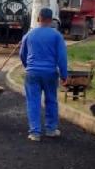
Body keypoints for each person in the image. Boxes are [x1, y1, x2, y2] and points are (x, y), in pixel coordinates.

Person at [19, 7, 68, 141]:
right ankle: (51, 129)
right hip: (50, 73)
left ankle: (35, 132)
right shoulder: (57, 36)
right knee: (51, 100)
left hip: (32, 73)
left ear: (38, 18)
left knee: (33, 102)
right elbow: (62, 58)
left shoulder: (29, 35)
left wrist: (28, 67)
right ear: (51, 20)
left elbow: (22, 54)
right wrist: (64, 75)